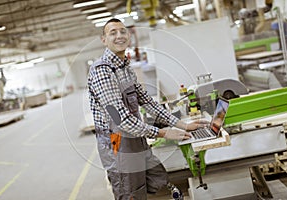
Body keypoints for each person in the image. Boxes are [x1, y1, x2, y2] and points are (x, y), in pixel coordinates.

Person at [88, 18, 208, 200]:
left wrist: (181, 124)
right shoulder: (102, 71)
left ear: (128, 36)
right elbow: (121, 120)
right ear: (103, 40)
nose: (119, 35)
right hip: (117, 143)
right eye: (113, 33)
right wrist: (163, 133)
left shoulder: (125, 67)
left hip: (134, 138)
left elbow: (147, 102)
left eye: (122, 31)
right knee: (131, 192)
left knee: (156, 179)